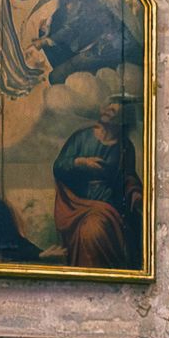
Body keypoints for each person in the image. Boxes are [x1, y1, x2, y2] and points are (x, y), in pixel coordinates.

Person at [52, 98, 144, 269]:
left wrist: (135, 192)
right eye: (107, 108)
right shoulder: (81, 137)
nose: (107, 112)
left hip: (109, 206)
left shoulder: (125, 147)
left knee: (95, 228)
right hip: (77, 204)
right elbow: (58, 166)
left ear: (122, 119)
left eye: (113, 112)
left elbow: (128, 176)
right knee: (91, 230)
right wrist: (80, 162)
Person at [36, 0, 144, 84]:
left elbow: (74, 28)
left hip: (112, 48)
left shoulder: (92, 2)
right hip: (102, 47)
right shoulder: (82, 2)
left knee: (58, 75)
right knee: (59, 73)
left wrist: (47, 41)